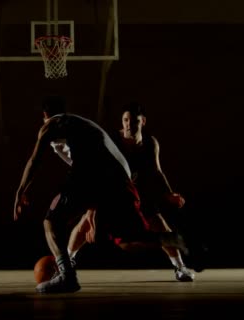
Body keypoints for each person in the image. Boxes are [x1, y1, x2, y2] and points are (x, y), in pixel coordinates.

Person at [13, 96, 187, 294]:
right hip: (123, 180)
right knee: (127, 241)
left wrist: (21, 191)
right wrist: (93, 206)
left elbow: (35, 160)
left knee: (51, 221)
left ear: (45, 116)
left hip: (98, 174)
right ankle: (173, 239)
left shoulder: (53, 124)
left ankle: (67, 275)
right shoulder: (84, 125)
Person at [65, 102, 198, 282]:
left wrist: (169, 193)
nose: (129, 124)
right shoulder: (112, 142)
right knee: (84, 224)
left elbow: (157, 171)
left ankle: (179, 267)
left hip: (139, 193)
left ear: (142, 121)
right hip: (112, 193)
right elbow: (98, 174)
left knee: (160, 225)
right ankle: (65, 262)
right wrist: (92, 209)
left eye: (133, 121)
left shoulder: (150, 143)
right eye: (125, 120)